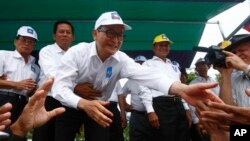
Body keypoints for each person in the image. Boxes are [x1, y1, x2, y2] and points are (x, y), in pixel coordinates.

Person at [51, 11, 221, 141]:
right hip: (71, 104)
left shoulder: (121, 59)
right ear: (95, 33)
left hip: (100, 107)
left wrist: (184, 89)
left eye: (120, 35)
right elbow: (59, 87)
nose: (116, 39)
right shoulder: (77, 53)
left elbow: (149, 76)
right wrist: (82, 103)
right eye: (110, 32)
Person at [141, 34, 190, 141]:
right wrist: (150, 111)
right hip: (161, 105)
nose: (164, 47)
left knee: (183, 136)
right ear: (153, 47)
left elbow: (180, 87)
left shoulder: (174, 66)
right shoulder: (148, 64)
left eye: (167, 45)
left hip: (178, 104)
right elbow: (144, 88)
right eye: (161, 45)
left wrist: (186, 108)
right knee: (165, 137)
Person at [32, 20, 75, 141]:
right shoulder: (47, 51)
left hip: (67, 101)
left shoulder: (76, 54)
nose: (65, 34)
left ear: (73, 37)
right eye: (61, 32)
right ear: (54, 36)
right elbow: (53, 75)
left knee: (63, 136)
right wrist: (76, 85)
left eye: (68, 32)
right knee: (43, 135)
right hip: (47, 100)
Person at [0, 78, 65, 141]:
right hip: (5, 97)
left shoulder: (37, 67)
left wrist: (20, 128)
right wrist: (16, 84)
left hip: (23, 100)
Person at [0, 26, 40, 125]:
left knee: (18, 134)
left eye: (31, 42)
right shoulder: (3, 55)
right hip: (3, 99)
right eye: (23, 40)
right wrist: (16, 84)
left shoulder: (36, 67)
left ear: (34, 45)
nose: (27, 44)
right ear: (15, 41)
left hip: (23, 102)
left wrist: (32, 90)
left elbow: (30, 93)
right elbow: (18, 85)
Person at [119, 55, 157, 141]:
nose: (140, 65)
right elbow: (121, 94)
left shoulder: (153, 79)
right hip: (136, 116)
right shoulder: (130, 81)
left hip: (154, 115)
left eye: (142, 63)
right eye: (138, 64)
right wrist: (125, 105)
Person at [189, 58, 220, 141]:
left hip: (216, 116)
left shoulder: (214, 81)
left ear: (208, 66)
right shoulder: (193, 83)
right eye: (199, 66)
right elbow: (191, 105)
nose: (201, 67)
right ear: (196, 69)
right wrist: (196, 121)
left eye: (203, 65)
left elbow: (218, 98)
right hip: (201, 117)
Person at [218, 34, 250, 107]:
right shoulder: (234, 77)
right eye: (234, 53)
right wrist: (225, 74)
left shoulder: (243, 68)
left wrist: (243, 66)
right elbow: (226, 109)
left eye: (242, 50)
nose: (237, 55)